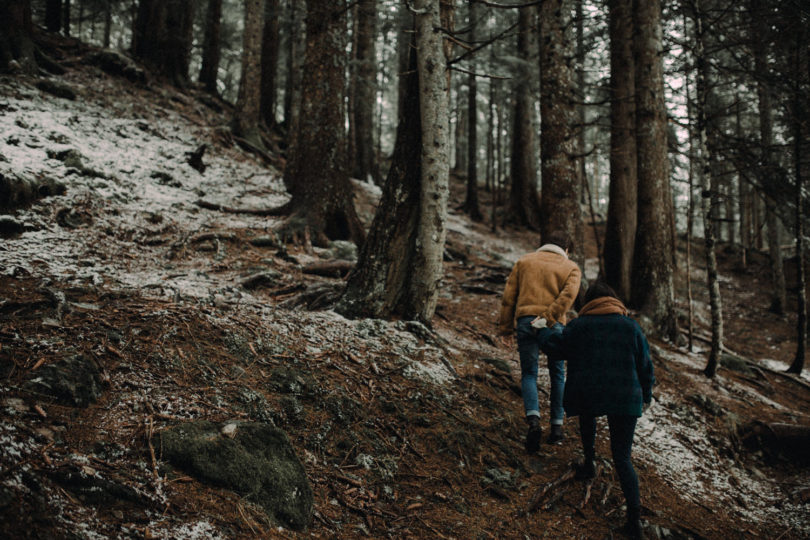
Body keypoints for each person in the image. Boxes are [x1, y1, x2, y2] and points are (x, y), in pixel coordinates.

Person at [545, 281, 654, 540]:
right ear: (614, 300)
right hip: (625, 396)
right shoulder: (631, 327)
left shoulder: (579, 326)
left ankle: (590, 461)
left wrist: (545, 331)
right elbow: (645, 365)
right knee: (622, 458)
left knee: (587, 413)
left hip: (590, 392)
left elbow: (556, 349)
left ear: (588, 302)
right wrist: (646, 396)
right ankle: (634, 521)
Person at [497, 230, 582, 453]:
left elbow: (509, 297)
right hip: (553, 324)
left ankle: (533, 421)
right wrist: (547, 319)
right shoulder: (571, 267)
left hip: (525, 321)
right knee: (557, 374)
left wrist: (505, 328)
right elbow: (567, 298)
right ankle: (556, 428)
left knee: (529, 373)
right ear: (565, 250)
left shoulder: (524, 261)